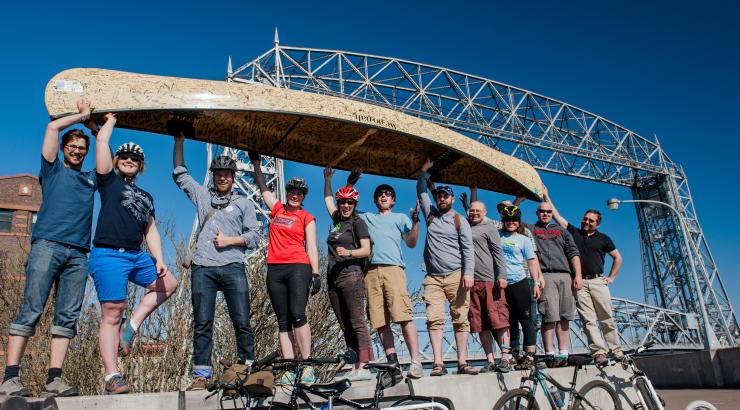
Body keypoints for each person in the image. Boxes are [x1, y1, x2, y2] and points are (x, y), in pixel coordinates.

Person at [1, 100, 96, 398]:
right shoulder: (52, 169)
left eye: (83, 147)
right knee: (30, 309)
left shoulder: (92, 179)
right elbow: (52, 127)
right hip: (48, 246)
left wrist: (99, 127)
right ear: (65, 148)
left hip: (79, 254)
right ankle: (9, 378)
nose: (78, 150)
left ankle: (54, 378)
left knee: (67, 317)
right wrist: (80, 117)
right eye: (74, 146)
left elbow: (105, 156)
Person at [89, 120, 179, 394]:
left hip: (136, 255)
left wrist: (160, 258)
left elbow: (150, 229)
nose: (129, 160)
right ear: (117, 161)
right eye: (125, 156)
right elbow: (102, 143)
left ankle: (132, 325)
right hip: (108, 254)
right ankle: (112, 375)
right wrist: (111, 121)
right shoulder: (108, 181)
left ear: (141, 165)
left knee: (170, 284)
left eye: (135, 158)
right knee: (112, 312)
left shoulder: (146, 196)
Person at [173, 135, 260, 390]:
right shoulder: (202, 196)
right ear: (213, 176)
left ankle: (247, 369)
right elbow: (180, 175)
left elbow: (255, 236)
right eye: (219, 174)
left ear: (234, 178)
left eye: (227, 174)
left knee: (242, 321)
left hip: (233, 267)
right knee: (203, 322)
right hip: (203, 267)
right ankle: (201, 375)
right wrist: (179, 142)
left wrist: (231, 240)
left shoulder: (244, 203)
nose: (223, 177)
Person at [250, 152, 319, 385]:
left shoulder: (307, 217)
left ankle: (307, 365)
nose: (295, 195)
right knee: (282, 320)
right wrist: (256, 163)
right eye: (292, 192)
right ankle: (290, 368)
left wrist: (316, 272)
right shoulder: (278, 210)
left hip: (298, 266)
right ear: (287, 193)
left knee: (298, 314)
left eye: (299, 193)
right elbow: (263, 188)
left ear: (303, 197)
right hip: (275, 269)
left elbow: (311, 246)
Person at [349, 170, 424, 379]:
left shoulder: (400, 217)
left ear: (393, 200)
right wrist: (350, 183)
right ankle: (393, 364)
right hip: (371, 271)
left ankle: (415, 362)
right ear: (375, 199)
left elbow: (411, 242)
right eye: (380, 193)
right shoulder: (367, 217)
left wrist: (416, 221)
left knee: (403, 316)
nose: (383, 196)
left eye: (388, 194)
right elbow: (345, 207)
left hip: (393, 269)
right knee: (379, 320)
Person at [546, 191, 623, 363]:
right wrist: (546, 195)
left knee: (606, 318)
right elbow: (556, 215)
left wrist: (611, 278)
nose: (586, 222)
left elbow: (618, 257)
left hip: (598, 281)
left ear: (597, 224)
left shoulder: (604, 239)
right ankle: (599, 353)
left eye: (591, 220)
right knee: (588, 320)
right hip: (579, 282)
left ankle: (616, 350)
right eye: (585, 218)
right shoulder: (574, 232)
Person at [417, 159, 477, 376]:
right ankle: (438, 363)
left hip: (456, 276)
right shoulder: (430, 215)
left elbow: (468, 249)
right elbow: (421, 191)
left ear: (452, 199)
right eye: (440, 196)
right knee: (434, 318)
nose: (442, 199)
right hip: (433, 277)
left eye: (446, 196)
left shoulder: (460, 220)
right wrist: (424, 171)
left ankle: (462, 362)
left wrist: (469, 273)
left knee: (460, 318)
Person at [322, 168, 374, 381]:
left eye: (349, 203)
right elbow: (327, 199)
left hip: (351, 276)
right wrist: (328, 179)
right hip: (333, 278)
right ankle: (354, 366)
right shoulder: (336, 220)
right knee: (344, 323)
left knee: (357, 321)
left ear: (354, 205)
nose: (345, 205)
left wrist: (350, 252)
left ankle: (365, 365)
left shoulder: (357, 222)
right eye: (342, 202)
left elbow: (366, 249)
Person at [528, 200, 582, 368]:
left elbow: (573, 252)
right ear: (537, 213)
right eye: (542, 211)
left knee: (565, 316)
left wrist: (578, 275)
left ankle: (563, 354)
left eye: (549, 212)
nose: (545, 214)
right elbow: (506, 219)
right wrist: (519, 200)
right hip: (545, 276)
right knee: (549, 316)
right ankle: (549, 355)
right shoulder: (529, 230)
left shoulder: (562, 232)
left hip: (565, 276)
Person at [465, 200, 510, 373]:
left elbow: (498, 252)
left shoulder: (490, 227)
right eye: (471, 210)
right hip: (471, 282)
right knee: (480, 322)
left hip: (490, 279)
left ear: (484, 212)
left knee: (499, 319)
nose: (474, 213)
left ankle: (505, 358)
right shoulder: (465, 227)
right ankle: (490, 360)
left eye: (478, 210)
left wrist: (502, 276)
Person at [498, 206, 543, 370]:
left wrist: (536, 283)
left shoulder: (523, 239)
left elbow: (531, 261)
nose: (511, 223)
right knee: (509, 321)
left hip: (520, 281)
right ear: (503, 221)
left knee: (526, 318)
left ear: (519, 222)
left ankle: (530, 355)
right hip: (502, 283)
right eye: (508, 220)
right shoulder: (497, 236)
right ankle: (515, 354)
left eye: (514, 220)